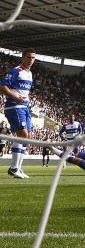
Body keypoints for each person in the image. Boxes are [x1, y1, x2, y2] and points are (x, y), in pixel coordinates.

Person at [0, 48, 37, 179]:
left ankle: (18, 169)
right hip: (14, 106)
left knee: (28, 138)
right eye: (28, 57)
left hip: (25, 107)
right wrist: (15, 97)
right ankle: (14, 168)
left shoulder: (30, 73)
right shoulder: (16, 71)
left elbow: (23, 92)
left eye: (33, 58)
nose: (30, 60)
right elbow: (2, 87)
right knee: (22, 135)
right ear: (22, 58)